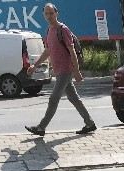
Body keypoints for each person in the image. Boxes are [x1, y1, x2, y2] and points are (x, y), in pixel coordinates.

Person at [25, 3, 97, 136]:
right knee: (74, 98)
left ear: (56, 13)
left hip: (66, 70)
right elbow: (47, 51)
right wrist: (35, 66)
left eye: (51, 13)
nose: (49, 16)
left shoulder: (63, 30)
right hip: (59, 71)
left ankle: (41, 127)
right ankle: (90, 123)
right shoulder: (49, 30)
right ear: (43, 15)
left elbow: (72, 51)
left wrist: (76, 70)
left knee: (53, 99)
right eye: (46, 14)